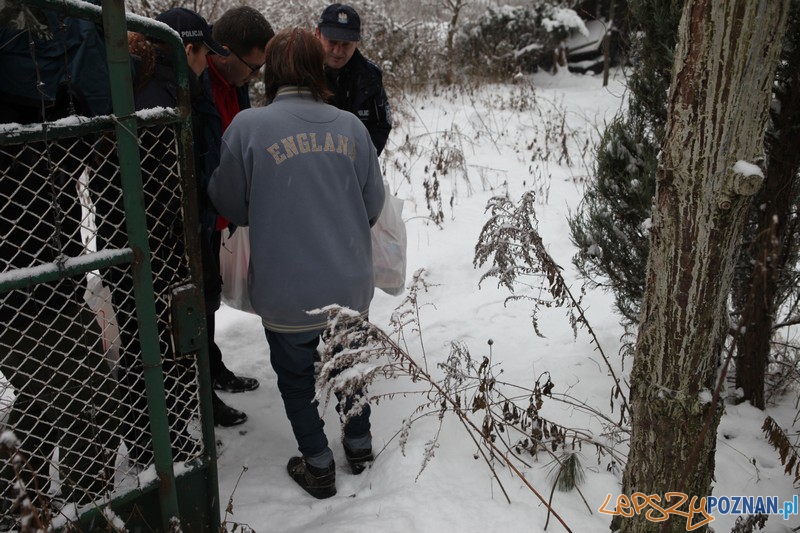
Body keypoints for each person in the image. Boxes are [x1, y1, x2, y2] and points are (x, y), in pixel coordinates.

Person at [208, 27, 385, 499]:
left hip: (286, 292)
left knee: (295, 379)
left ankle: (318, 463)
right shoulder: (350, 127)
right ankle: (360, 445)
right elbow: (373, 206)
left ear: (273, 72)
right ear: (318, 69)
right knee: (349, 367)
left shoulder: (247, 127)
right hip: (348, 285)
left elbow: (231, 205)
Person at [0, 0, 122, 517]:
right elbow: (94, 133)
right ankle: (83, 513)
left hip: (46, 270)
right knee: (88, 400)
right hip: (29, 282)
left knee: (43, 397)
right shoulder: (45, 85)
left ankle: (23, 503)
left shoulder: (43, 100)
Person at [200, 6, 274, 397]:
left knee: (207, 299)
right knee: (195, 303)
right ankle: (201, 392)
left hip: (215, 215)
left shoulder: (234, 82)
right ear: (224, 51)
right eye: (253, 66)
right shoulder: (194, 81)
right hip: (192, 216)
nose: (256, 76)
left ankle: (211, 368)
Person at [315, 3, 392, 155]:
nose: (338, 51)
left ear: (356, 42)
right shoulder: (299, 72)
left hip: (355, 170)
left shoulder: (370, 76)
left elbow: (382, 124)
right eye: (332, 42)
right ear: (318, 34)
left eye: (346, 44)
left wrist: (361, 160)